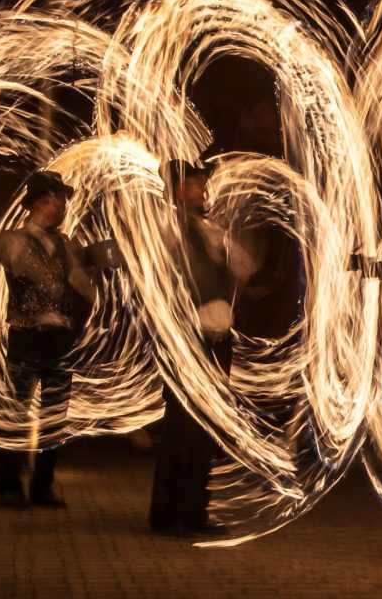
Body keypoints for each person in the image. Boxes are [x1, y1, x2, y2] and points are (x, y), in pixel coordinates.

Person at [0, 170, 114, 509]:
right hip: (25, 338)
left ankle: (42, 487)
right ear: (45, 200)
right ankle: (8, 487)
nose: (65, 205)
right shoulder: (12, 241)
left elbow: (83, 284)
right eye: (61, 198)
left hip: (60, 341)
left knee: (54, 418)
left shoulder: (66, 245)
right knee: (15, 416)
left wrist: (108, 305)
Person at [149, 159, 258, 537]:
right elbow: (154, 283)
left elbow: (246, 267)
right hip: (186, 342)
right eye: (197, 184)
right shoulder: (164, 233)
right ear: (178, 190)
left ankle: (196, 512)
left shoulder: (214, 234)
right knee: (181, 429)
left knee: (206, 430)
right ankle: (166, 516)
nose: (204, 189)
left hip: (218, 341)